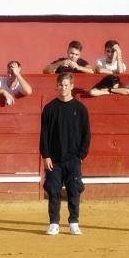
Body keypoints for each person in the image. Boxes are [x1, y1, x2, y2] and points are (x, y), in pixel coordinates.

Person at [39, 73, 91, 235]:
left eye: (66, 85)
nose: (63, 88)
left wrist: (81, 155)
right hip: (54, 159)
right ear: (57, 86)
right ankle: (54, 222)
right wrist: (46, 155)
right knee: (54, 191)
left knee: (74, 190)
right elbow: (44, 134)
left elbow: (86, 134)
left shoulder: (80, 109)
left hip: (73, 158)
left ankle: (74, 222)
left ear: (72, 86)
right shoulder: (49, 108)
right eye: (61, 85)